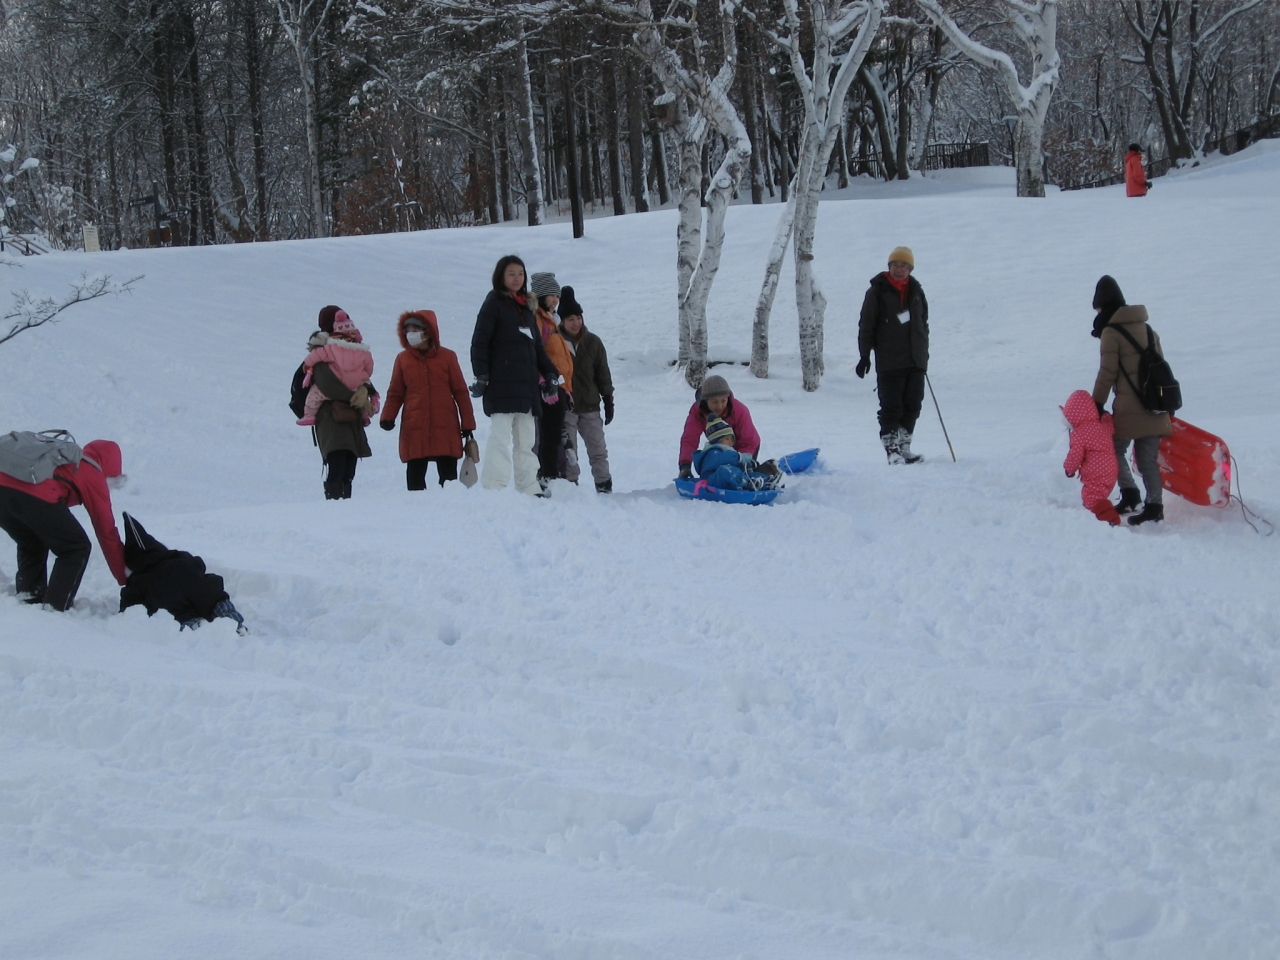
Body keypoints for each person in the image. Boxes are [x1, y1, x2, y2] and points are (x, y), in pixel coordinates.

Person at [470, 255, 561, 496]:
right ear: (501, 276)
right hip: (501, 385)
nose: (516, 278)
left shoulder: (527, 309)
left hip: (527, 388)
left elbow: (537, 348)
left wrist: (551, 374)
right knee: (500, 438)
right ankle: (493, 487)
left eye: (520, 273)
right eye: (511, 273)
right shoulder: (493, 304)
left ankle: (529, 486)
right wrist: (482, 375)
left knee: (527, 441)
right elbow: (479, 343)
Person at [0, 439, 127, 611]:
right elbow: (106, 531)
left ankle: (29, 597)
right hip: (32, 496)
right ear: (111, 466)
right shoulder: (92, 472)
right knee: (76, 547)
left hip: (3, 493)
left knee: (32, 542)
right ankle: (56, 607)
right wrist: (124, 577)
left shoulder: (64, 461)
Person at [1089, 278, 1172, 525]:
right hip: (1155, 405)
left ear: (1104, 306)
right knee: (1147, 459)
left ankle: (1131, 495)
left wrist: (1096, 403)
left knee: (1113, 449)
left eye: (1098, 309)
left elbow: (1107, 373)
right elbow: (1161, 368)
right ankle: (1154, 507)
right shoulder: (1149, 330)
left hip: (1128, 408)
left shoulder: (1111, 333)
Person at [380, 310, 477, 489]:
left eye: (416, 329)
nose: (411, 334)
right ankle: (416, 511)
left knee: (448, 478)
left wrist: (468, 422)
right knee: (415, 477)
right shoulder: (402, 360)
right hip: (414, 425)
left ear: (429, 331)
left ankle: (450, 509)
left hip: (445, 425)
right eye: (408, 330)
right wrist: (388, 416)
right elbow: (395, 393)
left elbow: (461, 392)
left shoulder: (448, 357)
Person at [857, 245, 928, 464]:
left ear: (910, 269)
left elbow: (923, 323)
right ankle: (892, 449)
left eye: (904, 265)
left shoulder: (916, 291)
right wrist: (865, 355)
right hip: (890, 360)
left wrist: (923, 353)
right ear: (889, 267)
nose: (899, 269)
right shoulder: (878, 291)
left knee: (913, 404)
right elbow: (866, 325)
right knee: (892, 406)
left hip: (915, 360)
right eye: (895, 265)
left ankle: (905, 446)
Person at [310, 304, 379, 500]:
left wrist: (365, 390)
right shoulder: (322, 352)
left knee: (349, 467)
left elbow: (362, 376)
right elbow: (326, 383)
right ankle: (335, 505)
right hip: (331, 418)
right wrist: (355, 396)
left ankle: (344, 505)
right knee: (338, 464)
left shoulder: (349, 349)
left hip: (350, 417)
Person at [555, 285, 614, 493]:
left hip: (590, 406)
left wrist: (608, 399)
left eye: (578, 318)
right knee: (569, 452)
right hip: (567, 407)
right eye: (570, 319)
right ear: (562, 321)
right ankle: (571, 488)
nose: (576, 323)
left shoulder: (593, 342)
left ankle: (604, 486)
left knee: (598, 450)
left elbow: (603, 373)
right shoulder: (556, 342)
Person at [529, 271, 575, 485]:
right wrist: (546, 380)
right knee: (549, 434)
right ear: (539, 296)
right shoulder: (538, 319)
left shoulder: (551, 320)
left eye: (556, 295)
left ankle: (550, 474)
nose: (555, 300)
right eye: (550, 295)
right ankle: (547, 475)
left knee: (554, 433)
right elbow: (536, 352)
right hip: (548, 387)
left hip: (558, 385)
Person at [296, 309, 375, 427]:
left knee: (315, 394)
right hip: (354, 387)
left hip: (332, 418)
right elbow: (369, 369)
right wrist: (363, 380)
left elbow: (316, 357)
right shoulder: (363, 352)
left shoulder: (330, 349)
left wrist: (307, 364)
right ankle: (365, 417)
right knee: (360, 401)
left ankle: (309, 414)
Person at [678, 375, 761, 479]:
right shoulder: (697, 412)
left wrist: (740, 461)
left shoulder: (740, 411)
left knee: (739, 475)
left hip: (746, 446)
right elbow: (690, 439)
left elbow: (748, 441)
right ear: (706, 400)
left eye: (723, 400)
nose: (720, 406)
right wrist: (685, 465)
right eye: (714, 402)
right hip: (720, 446)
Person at [1062, 389, 1121, 526]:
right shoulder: (1102, 426)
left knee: (1091, 498)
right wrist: (1106, 417)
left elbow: (1075, 455)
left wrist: (1069, 469)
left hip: (1097, 473)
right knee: (1099, 496)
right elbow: (1110, 426)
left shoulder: (1079, 434)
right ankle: (1102, 516)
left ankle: (1111, 519)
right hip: (1111, 470)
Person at [691, 417, 778, 492]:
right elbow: (724, 459)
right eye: (727, 438)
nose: (730, 442)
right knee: (725, 470)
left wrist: (748, 465)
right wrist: (741, 458)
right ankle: (747, 484)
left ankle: (766, 481)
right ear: (716, 440)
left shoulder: (725, 451)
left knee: (745, 473)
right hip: (713, 480)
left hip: (729, 480)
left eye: (731, 439)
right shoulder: (712, 453)